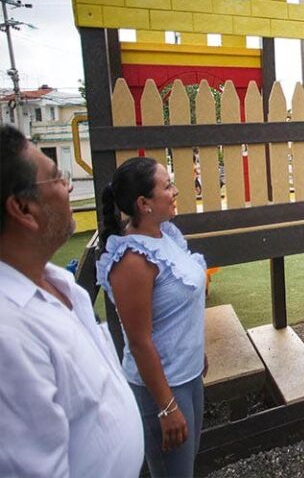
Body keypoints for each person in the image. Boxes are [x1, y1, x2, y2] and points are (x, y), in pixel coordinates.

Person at [0, 125, 144, 477]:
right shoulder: (8, 336)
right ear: (23, 208)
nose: (67, 187)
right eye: (57, 177)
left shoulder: (59, 283)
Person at [96, 157, 208, 477]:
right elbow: (139, 342)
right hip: (162, 389)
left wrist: (196, 350)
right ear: (144, 203)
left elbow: (178, 310)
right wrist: (166, 406)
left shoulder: (166, 236)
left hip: (188, 376)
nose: (175, 191)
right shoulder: (132, 261)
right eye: (167, 186)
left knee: (186, 466)